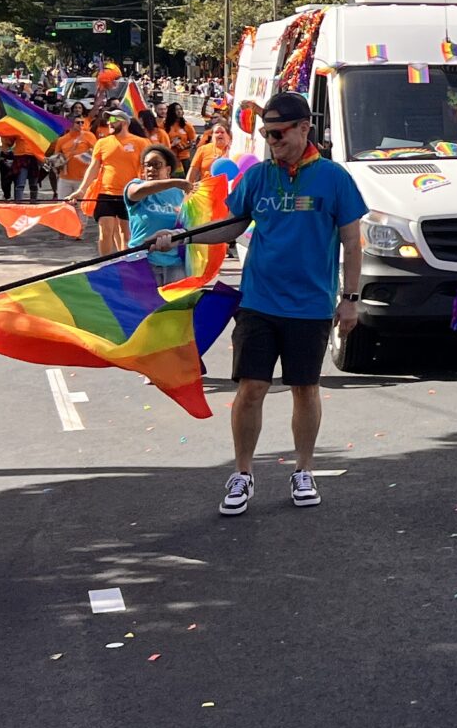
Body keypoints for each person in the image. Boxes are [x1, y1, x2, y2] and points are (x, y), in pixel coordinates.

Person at [210, 90, 365, 517]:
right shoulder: (258, 177)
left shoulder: (334, 178)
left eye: (278, 133)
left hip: (311, 306)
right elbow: (228, 228)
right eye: (266, 133)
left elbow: (353, 243)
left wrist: (349, 300)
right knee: (251, 388)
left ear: (303, 128)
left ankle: (304, 470)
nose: (272, 141)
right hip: (259, 302)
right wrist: (174, 236)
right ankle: (242, 473)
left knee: (305, 388)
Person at [125, 145, 193, 280]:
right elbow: (136, 193)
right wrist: (174, 182)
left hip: (175, 264)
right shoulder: (135, 185)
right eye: (147, 165)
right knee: (143, 301)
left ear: (168, 169)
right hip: (142, 262)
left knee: (177, 301)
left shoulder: (181, 194)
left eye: (156, 165)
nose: (151, 169)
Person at [85, 116, 141, 254]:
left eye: (114, 118)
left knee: (126, 234)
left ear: (125, 122)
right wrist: (81, 190)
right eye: (108, 119)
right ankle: (105, 264)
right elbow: (93, 167)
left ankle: (126, 263)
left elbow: (147, 167)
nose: (109, 122)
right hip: (105, 193)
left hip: (129, 194)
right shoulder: (102, 143)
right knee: (105, 231)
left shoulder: (141, 142)